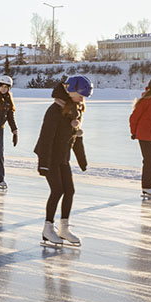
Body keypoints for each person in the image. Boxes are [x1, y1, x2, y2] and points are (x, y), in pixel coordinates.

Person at [33, 75, 91, 247]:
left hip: (62, 157)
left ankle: (63, 228)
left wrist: (82, 160)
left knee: (70, 190)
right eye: (80, 93)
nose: (83, 97)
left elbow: (75, 136)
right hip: (49, 156)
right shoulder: (54, 110)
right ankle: (48, 228)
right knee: (57, 190)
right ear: (70, 89)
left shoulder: (74, 109)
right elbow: (45, 138)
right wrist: (43, 163)